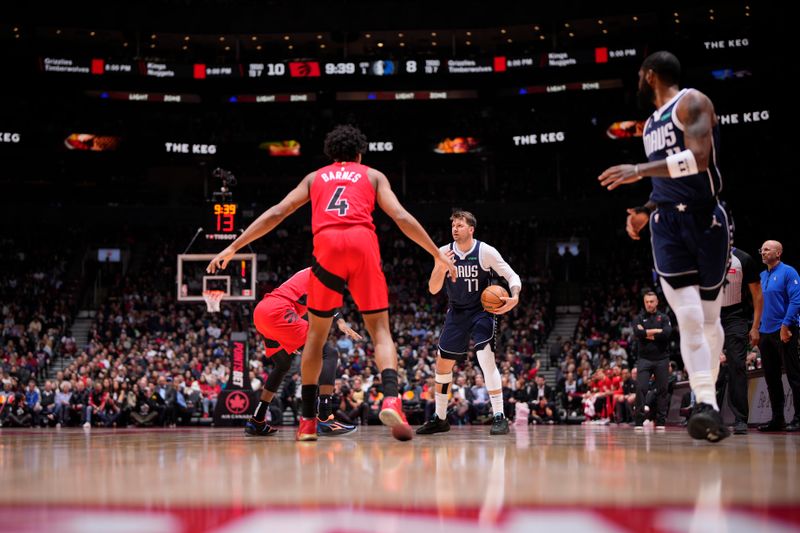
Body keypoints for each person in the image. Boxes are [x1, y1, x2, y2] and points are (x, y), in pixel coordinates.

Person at [208, 124, 456, 441]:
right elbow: (401, 217)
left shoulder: (315, 178)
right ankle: (392, 397)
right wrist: (436, 253)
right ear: (359, 153)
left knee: (315, 339)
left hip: (326, 249)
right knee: (380, 330)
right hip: (362, 243)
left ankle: (309, 422)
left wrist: (233, 246)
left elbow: (277, 212)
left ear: (330, 154)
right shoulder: (373, 175)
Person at [599, 51, 731, 442]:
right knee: (689, 317)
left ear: (650, 75)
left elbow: (699, 159)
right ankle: (705, 404)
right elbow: (666, 182)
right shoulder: (649, 125)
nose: (638, 82)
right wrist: (644, 208)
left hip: (706, 219)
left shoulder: (692, 101)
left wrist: (638, 170)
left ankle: (708, 399)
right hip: (667, 222)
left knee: (709, 318)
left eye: (640, 76)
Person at [416, 211, 521, 436]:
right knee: (442, 365)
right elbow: (433, 288)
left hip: (481, 311)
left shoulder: (485, 251)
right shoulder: (444, 252)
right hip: (456, 312)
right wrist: (441, 267)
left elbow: (512, 276)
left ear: (471, 229)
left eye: (460, 225)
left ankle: (499, 416)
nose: (455, 229)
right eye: (453, 225)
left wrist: (515, 296)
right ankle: (440, 418)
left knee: (485, 356)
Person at [244, 267, 362, 437]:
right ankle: (324, 418)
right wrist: (339, 321)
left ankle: (257, 420)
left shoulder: (315, 272)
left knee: (283, 365)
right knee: (329, 353)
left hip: (262, 313)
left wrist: (337, 320)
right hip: (278, 311)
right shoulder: (324, 272)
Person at [756, 240, 800, 432]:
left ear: (778, 253)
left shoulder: (789, 272)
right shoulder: (762, 275)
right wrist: (755, 327)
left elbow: (796, 300)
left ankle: (799, 417)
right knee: (771, 378)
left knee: (794, 375)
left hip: (784, 330)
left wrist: (785, 324)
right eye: (762, 250)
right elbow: (759, 306)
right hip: (765, 332)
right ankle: (778, 418)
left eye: (767, 249)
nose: (763, 253)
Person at [718, 247, 762, 434]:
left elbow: (757, 293)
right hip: (710, 316)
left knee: (737, 365)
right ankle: (707, 413)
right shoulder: (702, 255)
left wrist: (755, 326)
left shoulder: (743, 258)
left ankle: (741, 419)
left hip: (735, 315)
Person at [631, 291, 673, 430]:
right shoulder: (638, 318)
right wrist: (657, 331)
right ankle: (639, 421)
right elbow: (638, 333)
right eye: (647, 302)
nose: (649, 304)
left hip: (662, 359)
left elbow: (667, 334)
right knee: (641, 388)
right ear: (644, 303)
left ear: (656, 302)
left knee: (662, 390)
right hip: (644, 359)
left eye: (651, 301)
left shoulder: (664, 317)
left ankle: (661, 421)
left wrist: (647, 333)